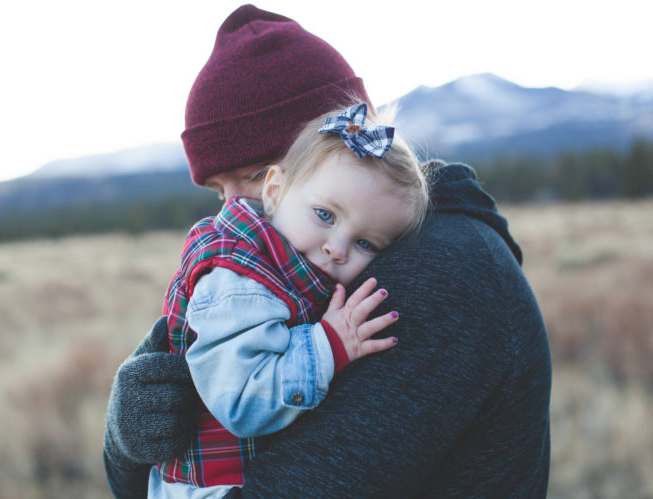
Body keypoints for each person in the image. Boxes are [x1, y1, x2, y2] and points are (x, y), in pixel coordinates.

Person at [104, 4, 551, 498]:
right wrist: (126, 438)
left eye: (254, 176)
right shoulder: (286, 268)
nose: (234, 212)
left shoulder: (438, 274)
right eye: (217, 192)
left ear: (345, 141)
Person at [150, 102, 428, 498]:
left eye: (365, 243)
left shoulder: (293, 264)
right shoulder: (239, 279)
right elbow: (242, 401)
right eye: (325, 215)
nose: (337, 249)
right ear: (275, 191)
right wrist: (328, 345)